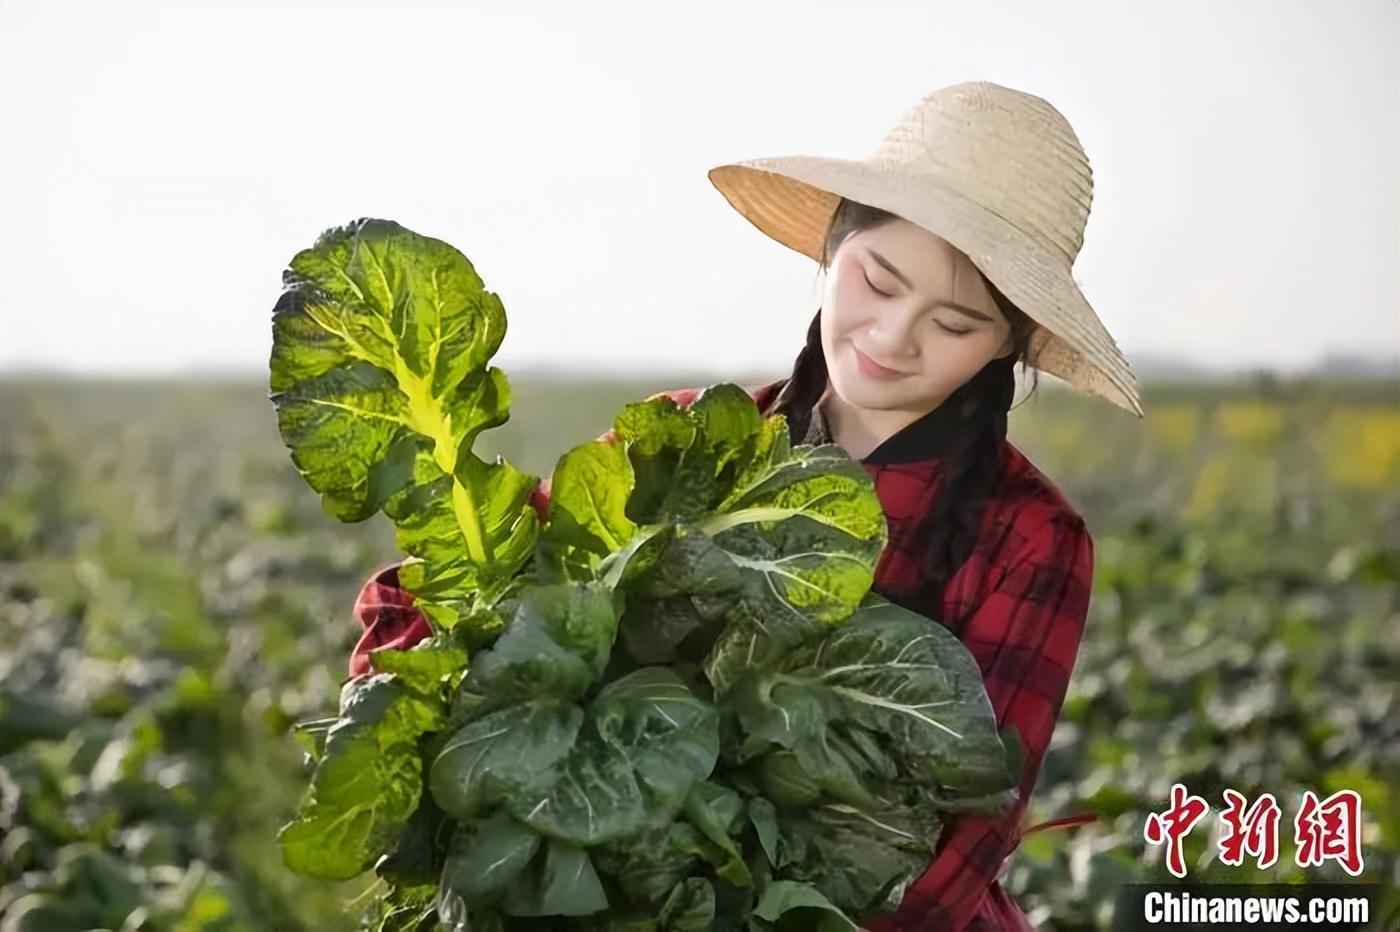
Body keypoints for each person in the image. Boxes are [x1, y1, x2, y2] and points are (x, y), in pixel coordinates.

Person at [347, 81, 1144, 931]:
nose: (893, 337)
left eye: (954, 325)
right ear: (832, 250)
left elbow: (962, 844)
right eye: (878, 280)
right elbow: (437, 599)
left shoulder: (1031, 537)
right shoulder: (687, 442)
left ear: (1007, 345)